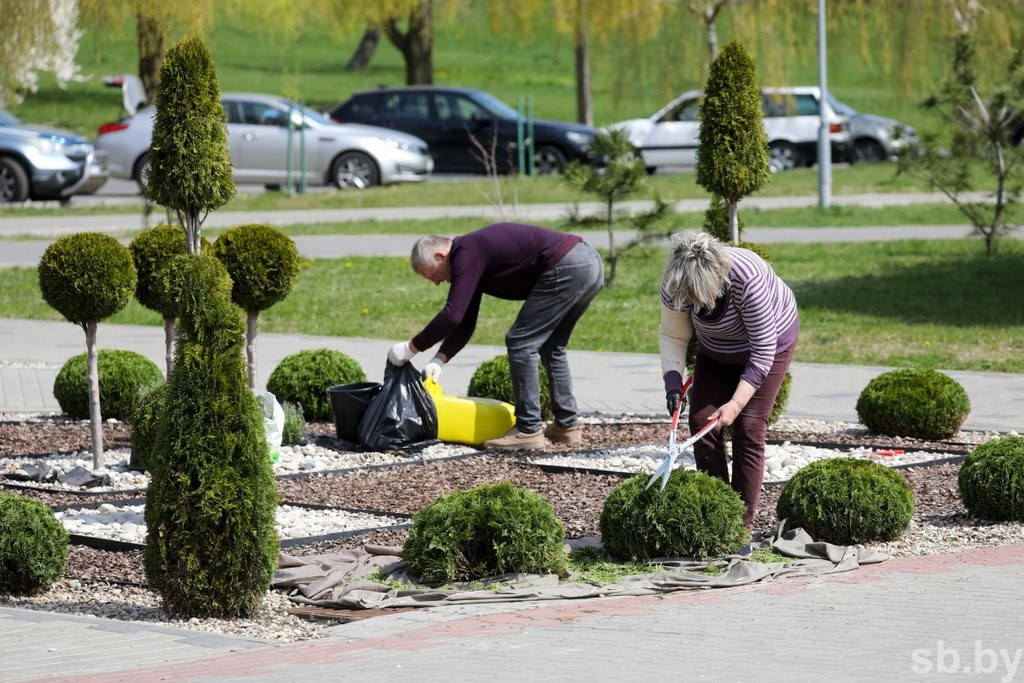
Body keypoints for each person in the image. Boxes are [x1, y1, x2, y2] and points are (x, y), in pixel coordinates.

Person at [387, 222, 604, 450]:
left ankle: (528, 430)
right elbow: (464, 321)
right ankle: (566, 425)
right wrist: (438, 360)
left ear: (440, 256)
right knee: (552, 345)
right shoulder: (472, 257)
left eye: (432, 275)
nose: (436, 283)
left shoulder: (466, 253)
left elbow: (452, 315)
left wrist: (410, 348)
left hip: (568, 265)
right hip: (588, 262)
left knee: (521, 342)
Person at [659, 232, 798, 530]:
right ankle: (717, 516)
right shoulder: (675, 281)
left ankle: (740, 527)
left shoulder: (748, 278)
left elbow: (762, 352)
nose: (694, 305)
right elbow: (673, 334)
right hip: (716, 349)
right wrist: (672, 383)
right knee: (702, 422)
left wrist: (734, 405)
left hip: (770, 345)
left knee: (748, 428)